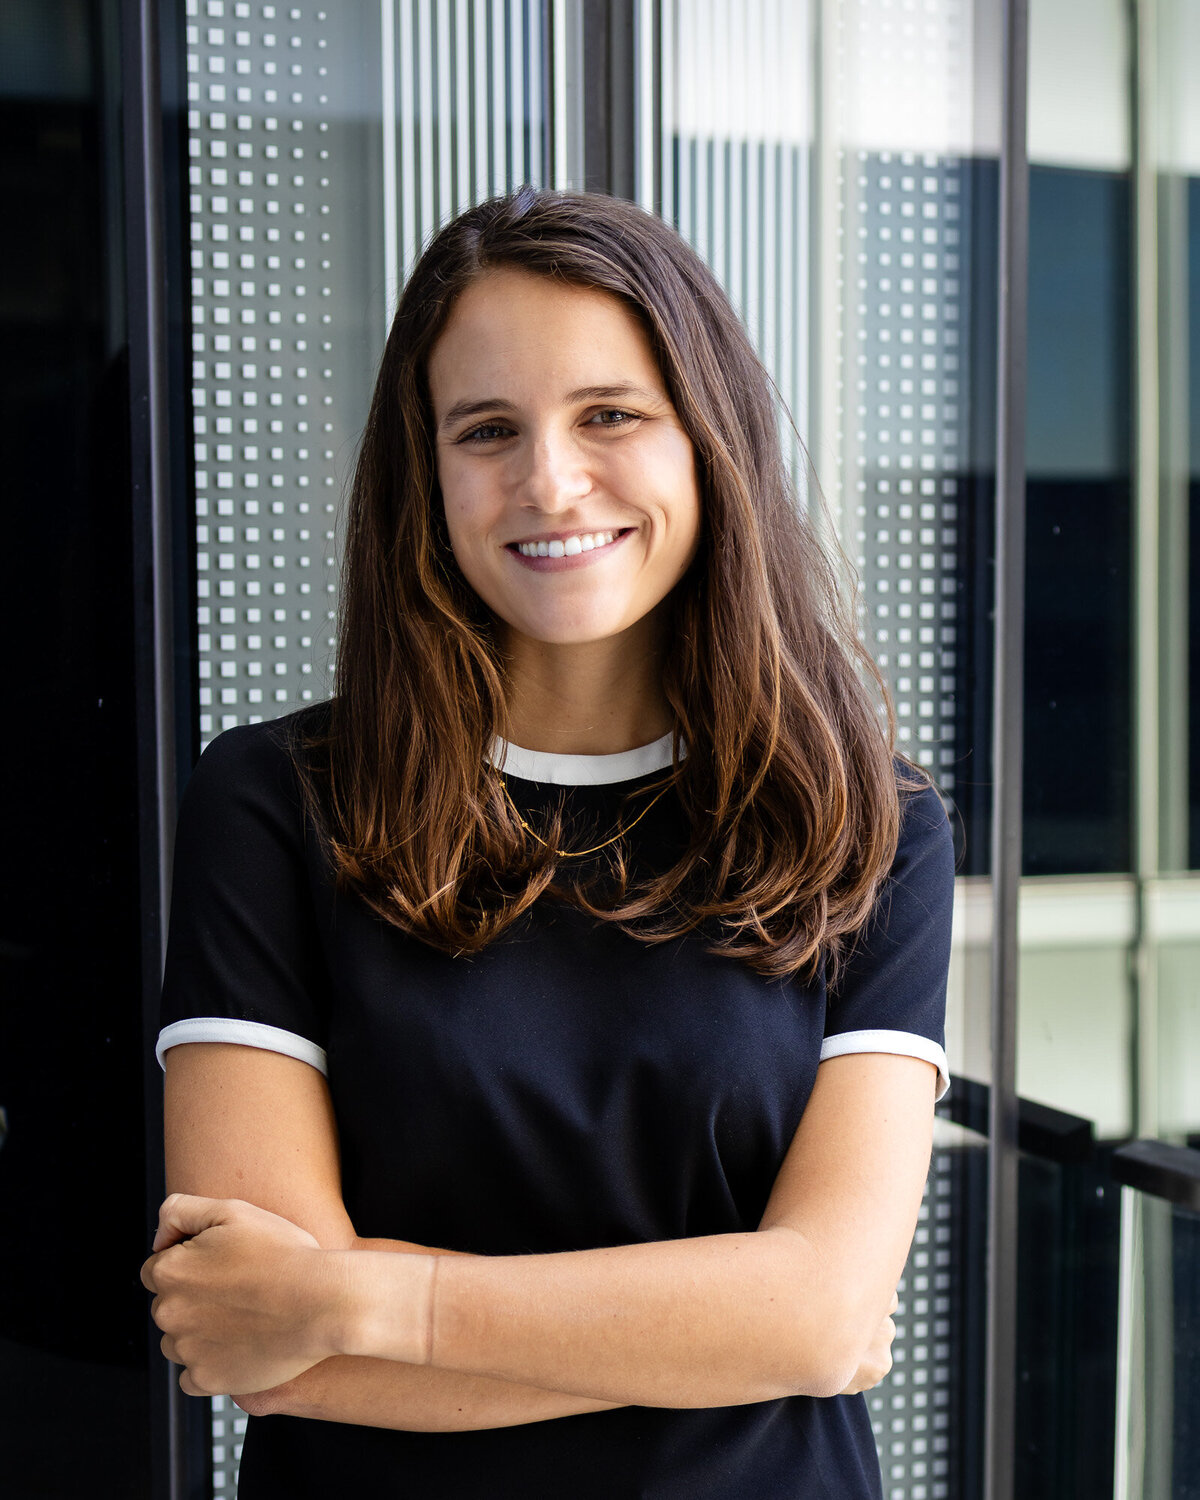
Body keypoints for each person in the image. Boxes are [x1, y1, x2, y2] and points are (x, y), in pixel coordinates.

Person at [141, 186, 954, 1500]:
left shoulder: (867, 827)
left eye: (610, 415)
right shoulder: (273, 804)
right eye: (487, 431)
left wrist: (368, 1302)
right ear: (428, 473)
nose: (551, 481)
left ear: (710, 439)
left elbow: (822, 1315)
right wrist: (720, 1327)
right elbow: (266, 1351)